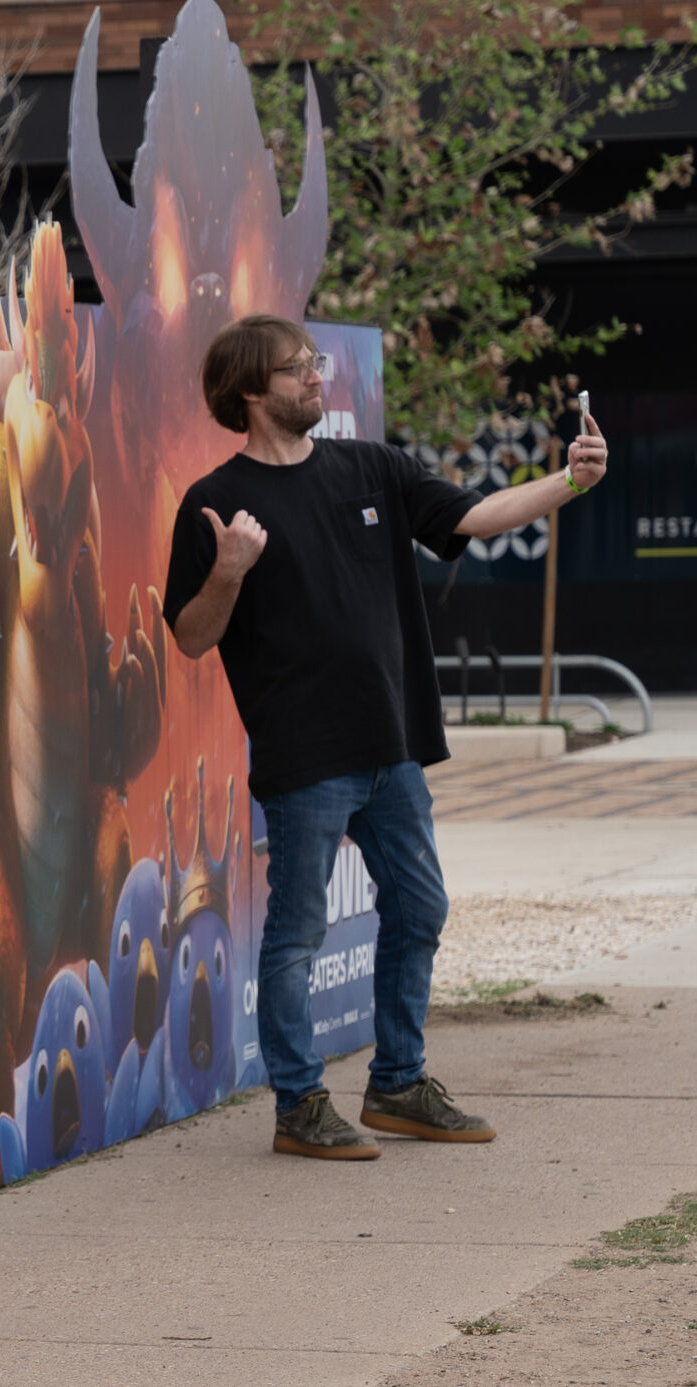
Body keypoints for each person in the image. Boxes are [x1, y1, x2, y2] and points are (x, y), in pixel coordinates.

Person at [162, 314, 605, 1160]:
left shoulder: (371, 466)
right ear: (251, 391)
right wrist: (228, 571)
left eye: (314, 363)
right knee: (297, 934)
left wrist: (568, 483)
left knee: (420, 903)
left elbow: (474, 516)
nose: (315, 378)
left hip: (391, 743)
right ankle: (299, 1104)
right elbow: (189, 635)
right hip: (305, 757)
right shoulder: (215, 504)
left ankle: (399, 1082)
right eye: (296, 369)